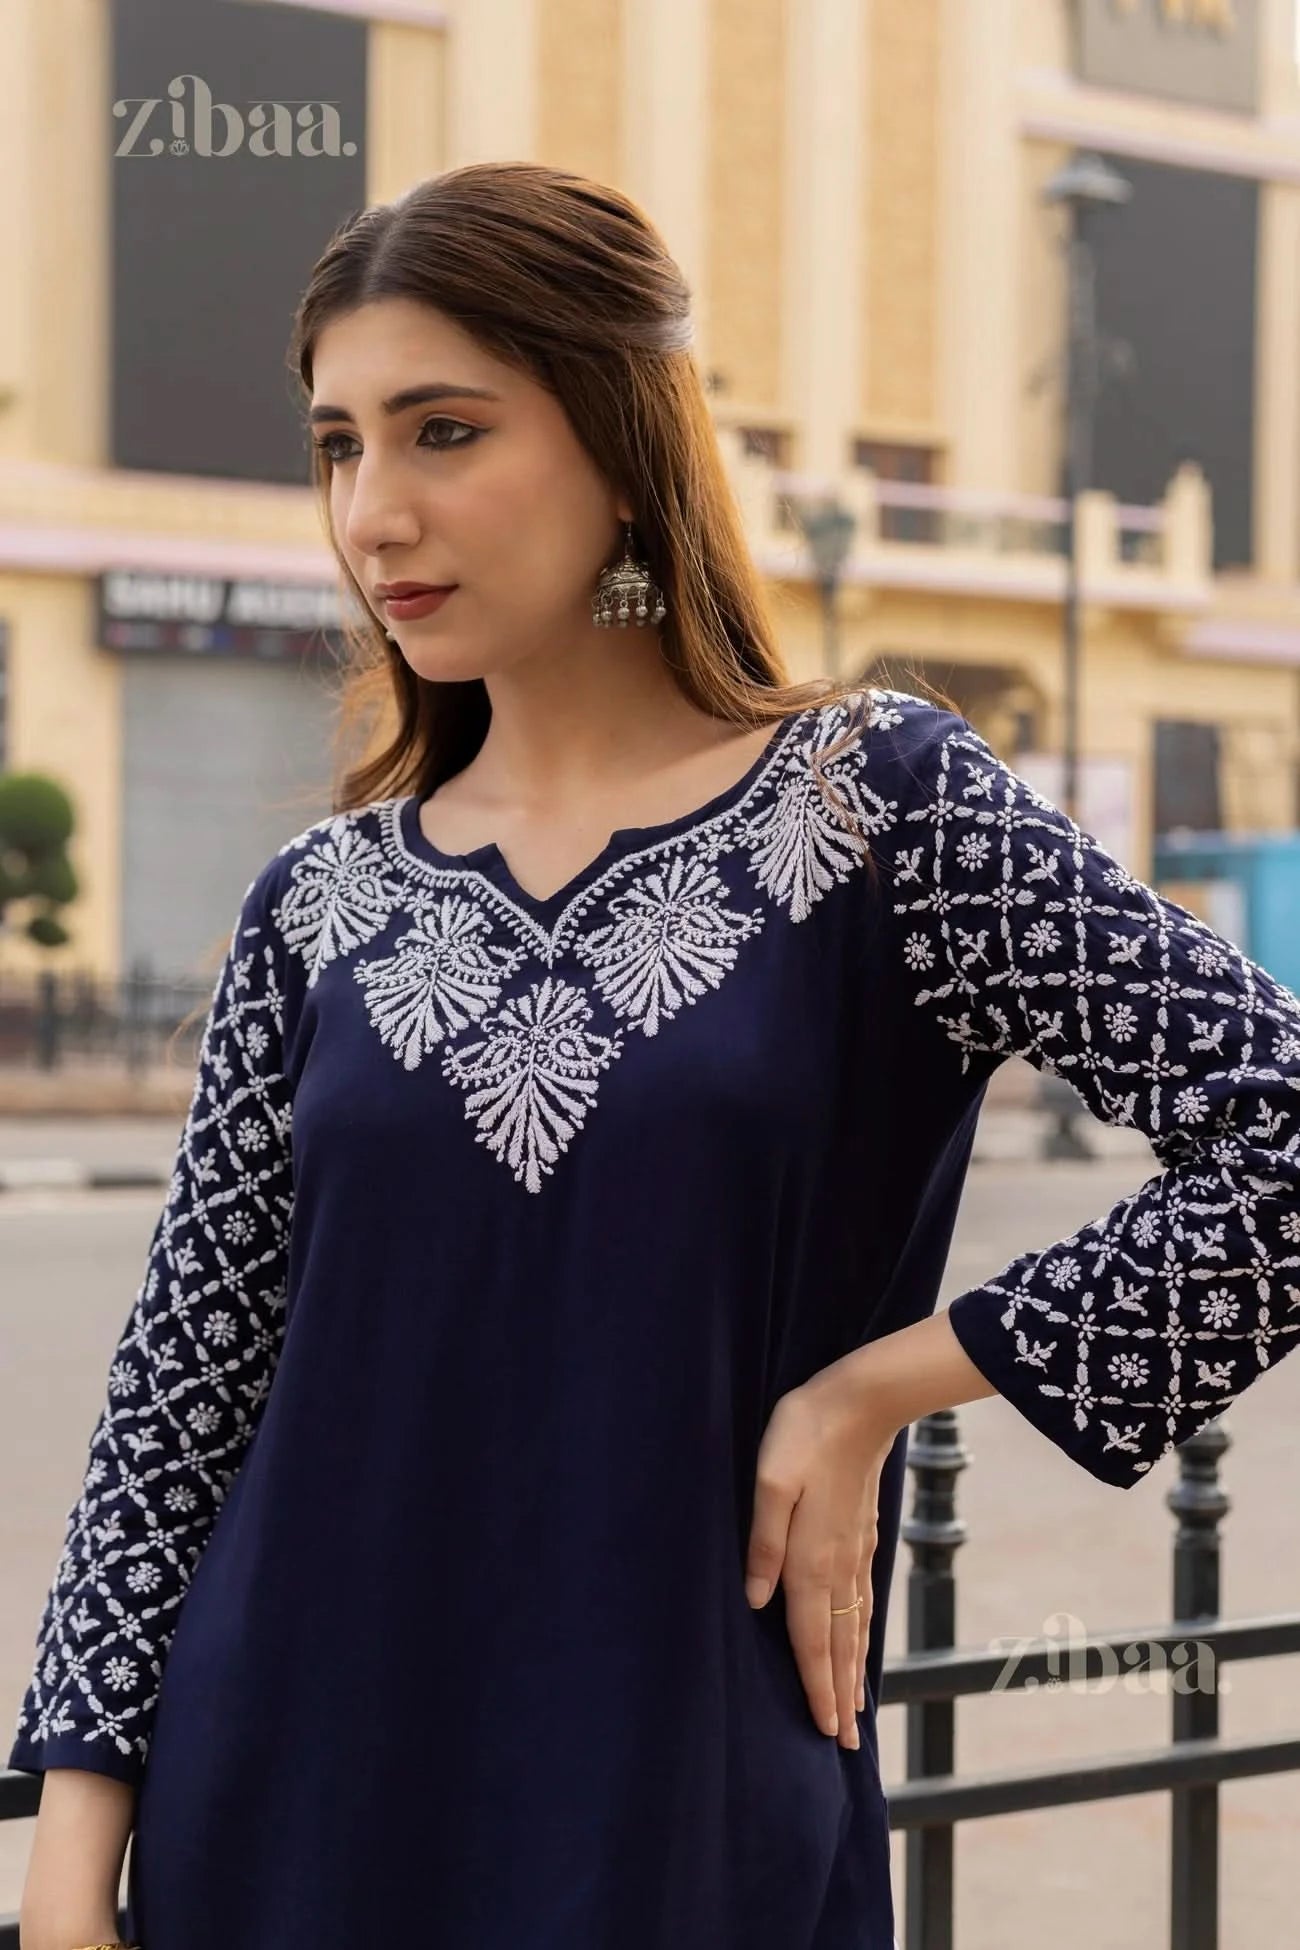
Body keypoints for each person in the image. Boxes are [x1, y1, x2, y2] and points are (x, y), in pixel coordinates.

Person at [12, 161, 1300, 1950]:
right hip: (286, 1809)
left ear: (624, 442)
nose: (374, 512)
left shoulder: (882, 812)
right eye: (336, 446)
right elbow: (177, 1400)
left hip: (685, 1816)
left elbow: (1284, 1144)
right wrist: (73, 1858)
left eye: (444, 431)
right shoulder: (317, 903)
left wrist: (876, 1390)